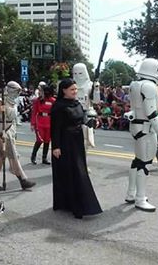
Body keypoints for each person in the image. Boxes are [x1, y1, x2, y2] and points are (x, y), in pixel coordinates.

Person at [51, 78, 102, 219]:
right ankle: (77, 206)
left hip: (77, 141)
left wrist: (91, 122)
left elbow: (82, 118)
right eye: (72, 89)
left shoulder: (77, 103)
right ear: (64, 90)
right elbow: (55, 128)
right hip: (65, 143)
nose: (75, 92)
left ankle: (75, 204)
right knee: (73, 173)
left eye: (76, 89)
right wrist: (56, 146)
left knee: (79, 171)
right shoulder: (58, 106)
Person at [124, 58, 158, 212]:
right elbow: (152, 113)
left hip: (137, 127)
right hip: (146, 128)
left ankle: (132, 193)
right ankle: (140, 198)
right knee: (144, 163)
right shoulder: (149, 87)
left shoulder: (135, 85)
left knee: (137, 161)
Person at [0, 81, 36, 191]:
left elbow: (14, 118)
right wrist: (2, 111)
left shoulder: (13, 102)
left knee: (1, 157)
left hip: (11, 129)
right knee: (14, 156)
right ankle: (23, 179)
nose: (17, 93)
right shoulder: (1, 101)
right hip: (3, 130)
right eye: (16, 91)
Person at [30, 84, 55, 165]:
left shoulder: (53, 100)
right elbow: (34, 112)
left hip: (49, 122)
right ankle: (33, 156)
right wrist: (33, 124)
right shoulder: (38, 101)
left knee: (47, 140)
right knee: (39, 140)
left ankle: (44, 158)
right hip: (40, 122)